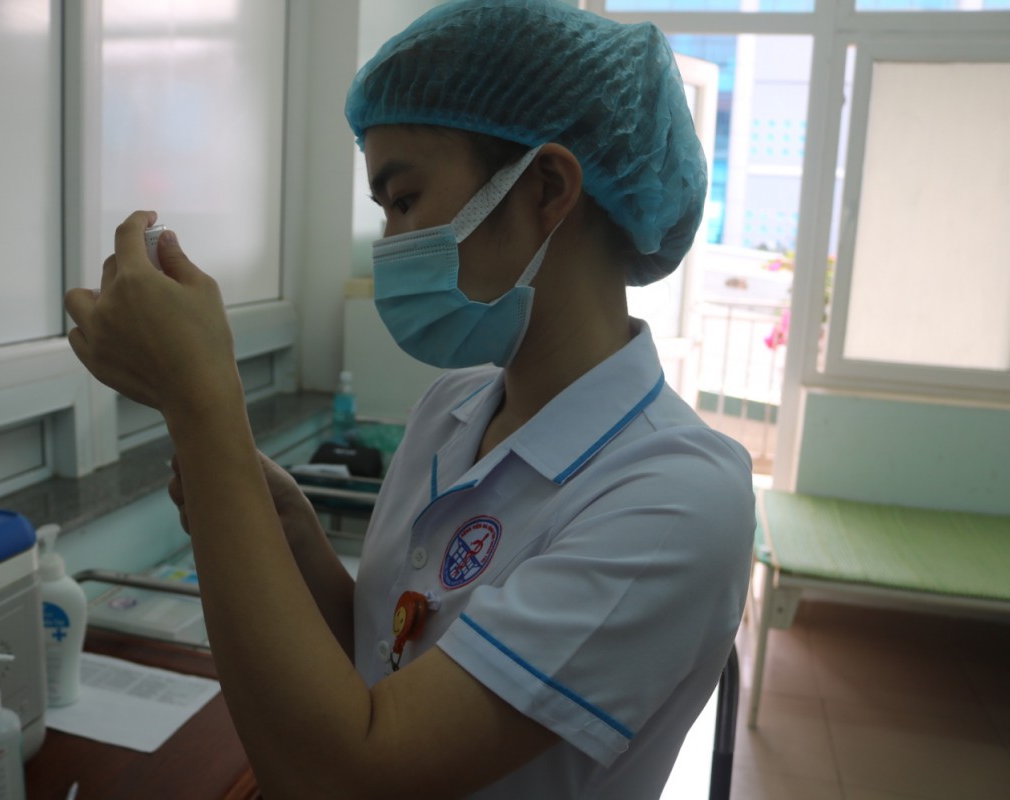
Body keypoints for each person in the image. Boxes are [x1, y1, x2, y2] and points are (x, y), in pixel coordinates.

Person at [64, 1, 755, 797]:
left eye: (403, 200)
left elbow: (350, 774)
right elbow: (387, 658)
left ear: (547, 188)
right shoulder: (451, 410)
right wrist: (293, 536)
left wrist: (202, 405)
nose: (389, 245)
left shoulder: (677, 497)